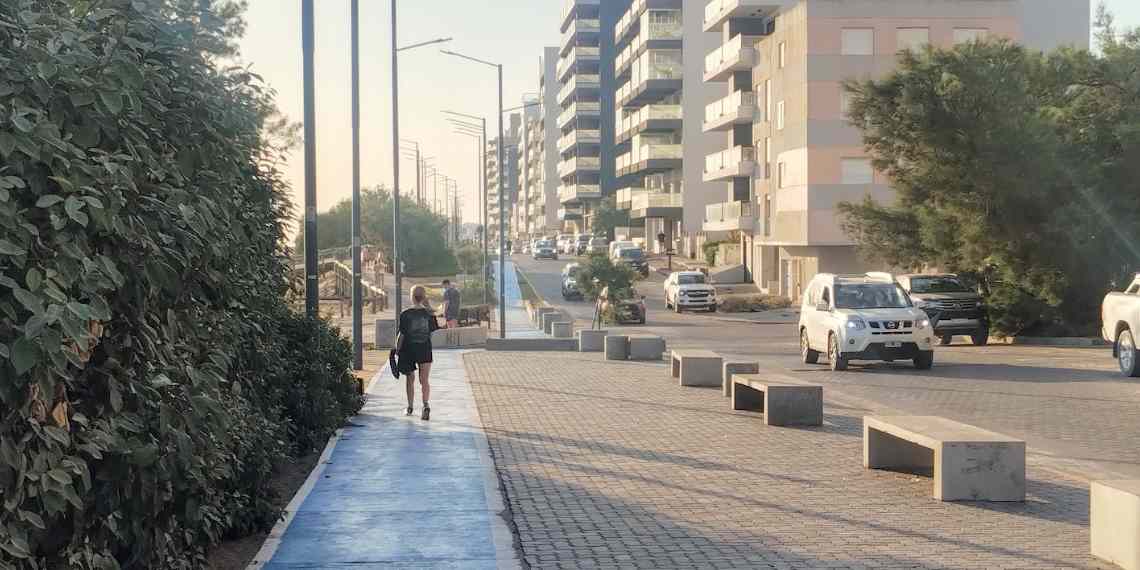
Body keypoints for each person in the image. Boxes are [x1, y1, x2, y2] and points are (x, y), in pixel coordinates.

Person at [396, 285, 440, 420]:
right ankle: (425, 405)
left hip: (408, 349)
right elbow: (431, 333)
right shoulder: (429, 314)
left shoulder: (405, 314)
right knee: (424, 380)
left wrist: (397, 349)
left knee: (410, 379)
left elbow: (401, 335)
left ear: (411, 296)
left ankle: (409, 407)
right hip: (425, 348)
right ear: (424, 296)